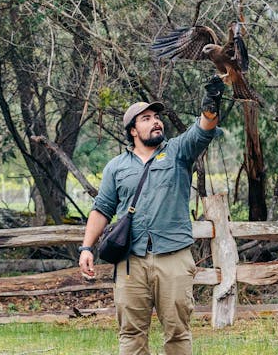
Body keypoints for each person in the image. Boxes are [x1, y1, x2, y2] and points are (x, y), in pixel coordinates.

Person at [78, 75, 224, 355]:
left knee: (178, 334)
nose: (156, 121)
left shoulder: (178, 152)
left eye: (157, 117)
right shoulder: (116, 167)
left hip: (174, 257)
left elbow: (202, 130)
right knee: (131, 335)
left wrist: (211, 104)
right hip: (130, 261)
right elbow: (102, 209)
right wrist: (86, 247)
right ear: (132, 130)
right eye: (145, 118)